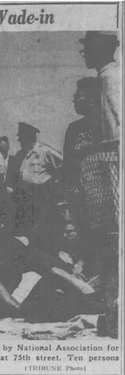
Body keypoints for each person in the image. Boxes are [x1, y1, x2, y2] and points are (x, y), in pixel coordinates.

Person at [79, 30, 120, 338]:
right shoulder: (109, 76)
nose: (83, 54)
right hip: (109, 166)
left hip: (114, 168)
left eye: (87, 48)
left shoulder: (111, 79)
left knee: (113, 241)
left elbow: (117, 127)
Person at [62, 77, 99, 267]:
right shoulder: (74, 129)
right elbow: (68, 165)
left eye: (79, 96)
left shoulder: (106, 124)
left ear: (93, 98)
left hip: (104, 195)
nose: (74, 100)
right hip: (82, 194)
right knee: (85, 232)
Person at [11, 122, 63, 252]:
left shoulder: (45, 151)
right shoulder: (19, 156)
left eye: (21, 137)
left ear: (29, 137)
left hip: (43, 196)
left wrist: (56, 187)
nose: (19, 140)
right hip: (25, 197)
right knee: (29, 231)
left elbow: (65, 168)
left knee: (45, 230)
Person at [79, 30, 120, 143]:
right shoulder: (111, 73)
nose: (85, 55)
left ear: (99, 50)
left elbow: (113, 124)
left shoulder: (109, 77)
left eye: (88, 50)